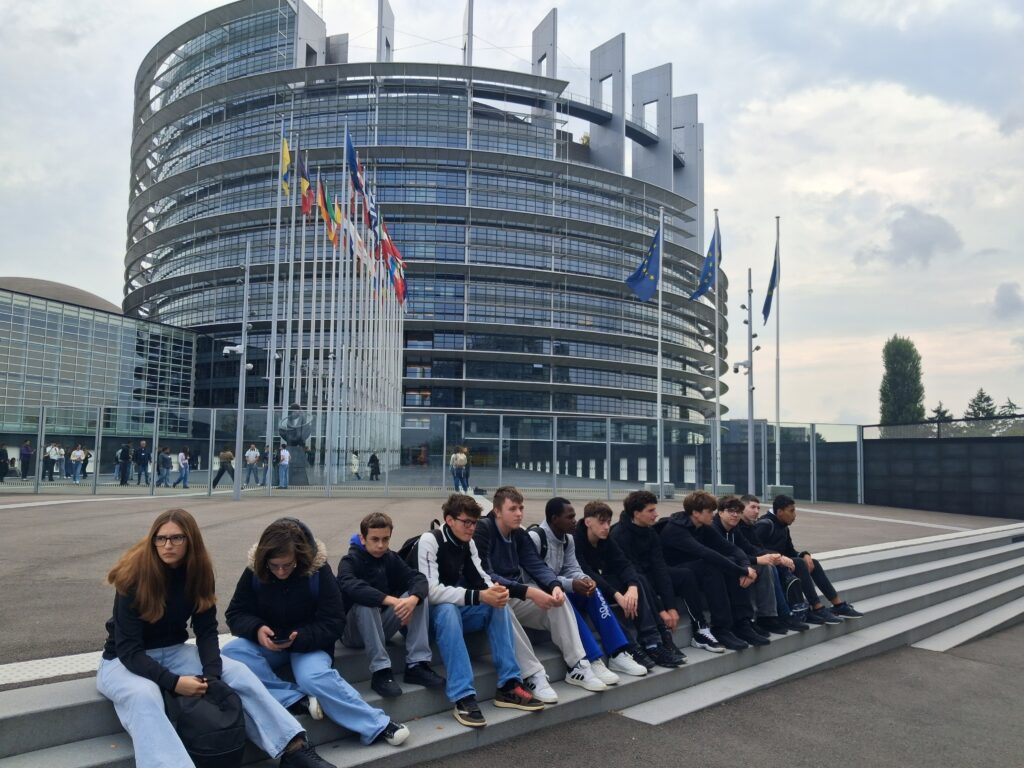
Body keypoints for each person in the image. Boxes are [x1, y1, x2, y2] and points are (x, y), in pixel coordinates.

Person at [96, 508, 336, 768]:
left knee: (238, 672)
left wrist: (211, 676)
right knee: (145, 694)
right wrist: (174, 683)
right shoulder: (132, 576)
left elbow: (207, 631)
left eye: (177, 538)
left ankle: (293, 748)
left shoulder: (198, 572)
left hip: (174, 651)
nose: (167, 545)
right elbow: (129, 650)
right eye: (161, 538)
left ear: (190, 540)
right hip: (122, 661)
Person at [222, 517, 409, 748]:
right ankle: (294, 698)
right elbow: (236, 612)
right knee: (230, 655)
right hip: (268, 643)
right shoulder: (255, 570)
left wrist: (300, 638)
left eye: (287, 565)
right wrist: (257, 629)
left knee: (312, 677)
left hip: (310, 644)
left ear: (300, 558)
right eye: (274, 565)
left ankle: (378, 724)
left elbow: (334, 621)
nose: (280, 571)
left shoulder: (318, 572)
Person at [414, 493, 544, 727]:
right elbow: (430, 592)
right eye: (466, 522)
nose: (472, 528)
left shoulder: (468, 542)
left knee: (496, 605)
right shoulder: (430, 540)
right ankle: (463, 696)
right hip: (420, 621)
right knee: (447, 609)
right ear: (449, 520)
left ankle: (509, 685)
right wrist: (479, 595)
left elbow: (482, 578)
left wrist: (495, 591)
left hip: (454, 614)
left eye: (474, 523)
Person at [474, 485, 608, 697]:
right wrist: (528, 592)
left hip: (515, 594)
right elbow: (486, 575)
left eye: (521, 508)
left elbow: (536, 565)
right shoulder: (483, 529)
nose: (519, 514)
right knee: (502, 606)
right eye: (512, 509)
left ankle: (578, 666)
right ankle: (533, 674)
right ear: (497, 511)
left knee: (559, 600)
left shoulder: (518, 533)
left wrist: (554, 586)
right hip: (489, 597)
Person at [528, 498, 648, 679]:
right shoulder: (535, 537)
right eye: (569, 517)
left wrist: (585, 580)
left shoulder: (568, 539)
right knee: (565, 601)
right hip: (539, 593)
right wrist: (570, 584)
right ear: (554, 519)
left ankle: (618, 652)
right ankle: (592, 659)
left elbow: (573, 568)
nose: (575, 521)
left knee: (594, 591)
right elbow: (535, 577)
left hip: (560, 587)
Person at [337, 512, 445, 698]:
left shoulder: (390, 558)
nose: (381, 545)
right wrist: (390, 600)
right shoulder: (349, 561)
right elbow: (351, 586)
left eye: (385, 539)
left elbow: (418, 578)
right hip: (352, 633)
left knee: (417, 596)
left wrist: (412, 599)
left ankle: (417, 665)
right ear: (363, 539)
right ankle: (381, 671)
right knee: (366, 603)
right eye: (375, 539)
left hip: (380, 627)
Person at [575, 501, 678, 669]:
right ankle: (631, 647)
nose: (606, 527)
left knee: (639, 580)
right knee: (599, 592)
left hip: (603, 583)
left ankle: (652, 644)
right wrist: (617, 594)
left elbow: (624, 564)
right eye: (602, 522)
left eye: (608, 522)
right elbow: (587, 573)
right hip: (585, 586)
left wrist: (632, 587)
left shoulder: (606, 539)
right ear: (588, 522)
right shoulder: (575, 539)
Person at [660, 491, 766, 651]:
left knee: (730, 560)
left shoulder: (702, 526)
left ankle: (742, 622)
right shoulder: (676, 529)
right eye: (709, 511)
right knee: (712, 565)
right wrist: (742, 571)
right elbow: (705, 552)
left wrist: (745, 566)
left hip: (695, 568)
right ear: (696, 513)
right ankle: (721, 628)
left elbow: (731, 548)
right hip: (674, 572)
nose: (713, 514)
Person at [608, 491, 691, 662]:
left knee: (685, 574)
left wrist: (671, 607)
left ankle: (701, 628)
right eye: (651, 510)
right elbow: (632, 571)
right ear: (637, 514)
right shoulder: (619, 535)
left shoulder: (650, 532)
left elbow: (660, 568)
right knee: (641, 579)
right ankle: (658, 640)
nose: (656, 514)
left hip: (644, 577)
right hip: (624, 580)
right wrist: (661, 610)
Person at [756, 495, 864, 624]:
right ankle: (817, 607)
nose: (794, 515)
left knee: (812, 562)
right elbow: (754, 548)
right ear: (779, 512)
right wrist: (778, 556)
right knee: (800, 563)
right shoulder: (765, 524)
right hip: (770, 565)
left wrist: (804, 554)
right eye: (791, 511)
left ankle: (838, 605)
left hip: (783, 563)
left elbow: (790, 551)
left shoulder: (783, 526)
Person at [728, 495, 809, 634]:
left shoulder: (746, 527)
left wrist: (776, 556)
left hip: (744, 563)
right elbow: (731, 553)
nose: (756, 511)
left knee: (797, 562)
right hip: (729, 567)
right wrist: (752, 563)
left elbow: (753, 548)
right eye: (752, 507)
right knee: (768, 567)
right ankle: (778, 615)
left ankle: (812, 608)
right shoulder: (754, 525)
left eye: (758, 508)